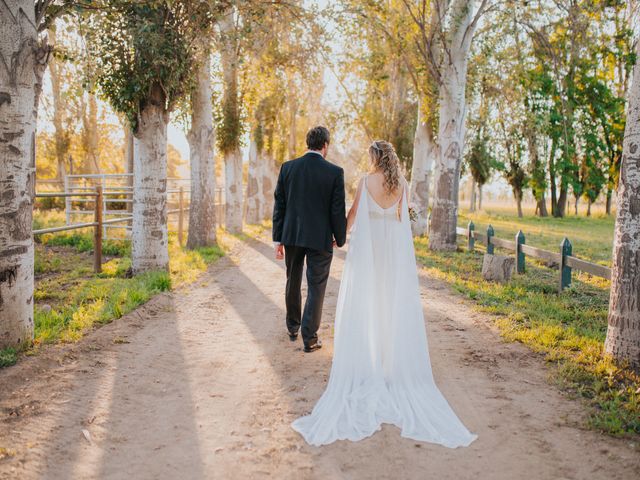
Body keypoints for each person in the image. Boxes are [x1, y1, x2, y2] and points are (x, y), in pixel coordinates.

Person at [291, 140, 477, 447]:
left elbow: (351, 215)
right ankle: (389, 364)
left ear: (375, 158)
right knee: (389, 307)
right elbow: (405, 219)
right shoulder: (401, 184)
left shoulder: (366, 181)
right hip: (392, 255)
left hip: (370, 254)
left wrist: (338, 237)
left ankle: (372, 363)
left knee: (368, 306)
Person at [272, 126, 347, 353]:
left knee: (292, 279)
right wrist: (340, 238)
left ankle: (293, 327)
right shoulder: (335, 172)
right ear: (325, 146)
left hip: (292, 235)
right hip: (321, 238)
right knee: (316, 287)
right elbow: (337, 210)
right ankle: (310, 338)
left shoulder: (288, 168)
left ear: (308, 143)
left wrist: (278, 240)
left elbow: (280, 206)